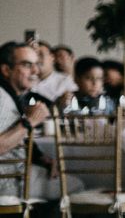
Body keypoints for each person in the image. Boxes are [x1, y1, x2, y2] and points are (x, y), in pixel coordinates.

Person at [0, 41, 82, 199]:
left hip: (16, 172)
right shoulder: (2, 99)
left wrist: (40, 158)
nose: (35, 70)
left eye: (36, 64)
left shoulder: (11, 95)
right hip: (8, 180)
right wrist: (29, 122)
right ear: (6, 69)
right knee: (75, 187)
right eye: (27, 65)